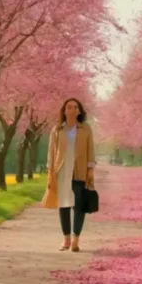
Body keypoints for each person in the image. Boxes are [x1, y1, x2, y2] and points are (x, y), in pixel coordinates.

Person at [46, 98, 95, 252]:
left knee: (79, 206)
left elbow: (90, 149)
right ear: (64, 110)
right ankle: (66, 239)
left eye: (75, 107)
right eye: (69, 107)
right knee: (64, 205)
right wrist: (50, 172)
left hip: (79, 171)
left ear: (79, 111)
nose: (72, 109)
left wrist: (90, 169)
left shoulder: (86, 128)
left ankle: (75, 240)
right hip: (61, 171)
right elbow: (51, 151)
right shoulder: (57, 129)